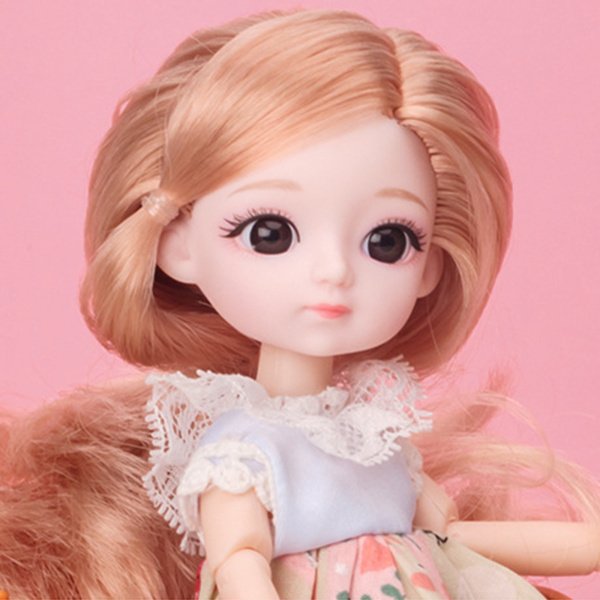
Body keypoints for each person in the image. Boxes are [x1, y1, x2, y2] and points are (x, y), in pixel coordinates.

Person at [1, 9, 598, 599]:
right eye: (270, 234)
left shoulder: (375, 436)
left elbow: (448, 537)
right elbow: (239, 563)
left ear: (430, 267)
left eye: (387, 241)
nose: (334, 272)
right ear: (176, 246)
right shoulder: (243, 449)